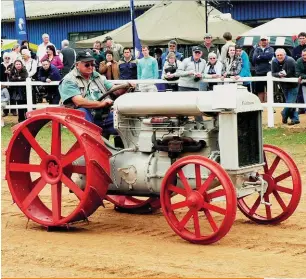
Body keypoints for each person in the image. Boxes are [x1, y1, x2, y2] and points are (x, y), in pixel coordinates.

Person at [59, 50, 133, 144]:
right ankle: (91, 142)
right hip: (84, 115)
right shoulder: (69, 80)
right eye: (87, 65)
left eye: (92, 64)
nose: (91, 67)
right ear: (77, 65)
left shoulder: (96, 76)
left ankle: (121, 151)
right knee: (82, 112)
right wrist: (101, 104)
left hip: (102, 113)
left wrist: (126, 87)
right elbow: (79, 102)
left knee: (123, 122)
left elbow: (114, 90)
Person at [272, 48, 299, 125]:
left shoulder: (290, 60)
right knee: (291, 102)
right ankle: (295, 119)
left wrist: (283, 75)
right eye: (278, 55)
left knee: (291, 102)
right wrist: (278, 74)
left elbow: (292, 73)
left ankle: (284, 113)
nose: (279, 56)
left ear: (285, 55)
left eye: (281, 55)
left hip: (293, 84)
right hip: (283, 84)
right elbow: (273, 73)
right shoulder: (274, 61)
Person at [252, 35, 274, 102]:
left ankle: (270, 106)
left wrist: (260, 56)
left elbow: (269, 56)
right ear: (260, 41)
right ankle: (261, 106)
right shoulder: (256, 49)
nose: (264, 41)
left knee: (269, 90)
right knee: (260, 90)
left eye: (265, 40)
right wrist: (264, 57)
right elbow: (254, 59)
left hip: (268, 72)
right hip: (259, 72)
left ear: (268, 41)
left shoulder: (271, 49)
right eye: (262, 40)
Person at [296, 48, 306, 114]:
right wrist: (303, 76)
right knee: (303, 95)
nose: (304, 56)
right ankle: (303, 109)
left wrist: (302, 76)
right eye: (303, 55)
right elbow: (297, 72)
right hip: (303, 82)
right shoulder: (299, 61)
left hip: (302, 79)